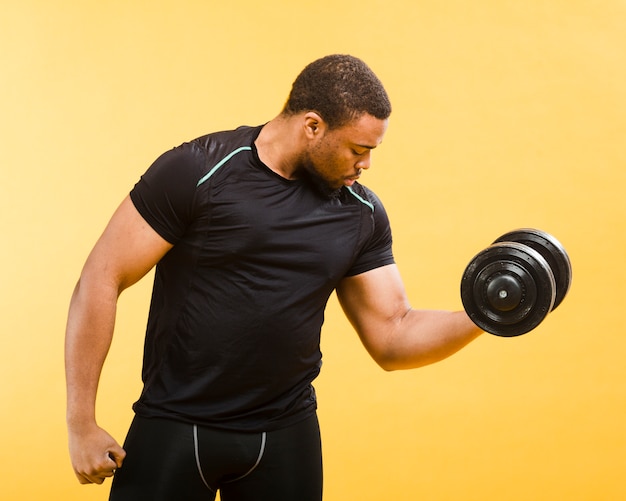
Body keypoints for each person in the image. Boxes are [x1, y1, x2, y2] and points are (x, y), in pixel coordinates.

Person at [65, 54, 483, 501]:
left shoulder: (359, 213)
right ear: (312, 126)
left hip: (285, 433)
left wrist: (487, 315)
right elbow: (102, 276)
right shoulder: (198, 171)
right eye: (358, 149)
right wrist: (81, 424)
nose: (365, 165)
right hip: (176, 424)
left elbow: (394, 336)